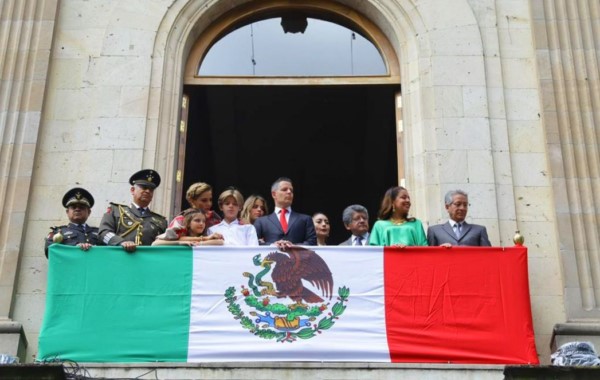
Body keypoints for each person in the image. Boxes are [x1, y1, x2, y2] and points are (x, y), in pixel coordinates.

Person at [98, 169, 168, 252]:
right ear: (132, 190)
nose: (148, 191)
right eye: (144, 187)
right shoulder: (116, 211)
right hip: (120, 260)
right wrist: (121, 242)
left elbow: (165, 245)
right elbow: (103, 234)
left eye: (151, 189)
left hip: (147, 263)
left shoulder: (161, 221)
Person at [253, 177, 317, 249]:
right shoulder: (261, 221)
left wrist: (294, 247)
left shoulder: (305, 219)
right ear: (274, 194)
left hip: (298, 259)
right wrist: (272, 246)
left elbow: (312, 242)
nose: (289, 192)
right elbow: (253, 242)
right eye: (284, 189)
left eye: (291, 190)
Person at [45, 187, 100, 258]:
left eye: (82, 207)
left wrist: (94, 249)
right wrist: (75, 249)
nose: (77, 209)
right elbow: (49, 251)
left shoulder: (99, 232)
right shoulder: (58, 232)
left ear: (89, 212)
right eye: (73, 207)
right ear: (67, 212)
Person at [426, 189, 492, 247]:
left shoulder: (479, 230)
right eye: (458, 204)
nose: (462, 208)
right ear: (447, 207)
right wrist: (440, 250)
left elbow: (488, 256)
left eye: (465, 205)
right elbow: (430, 257)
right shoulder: (434, 231)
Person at [152, 209, 223, 246]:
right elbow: (155, 244)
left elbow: (220, 242)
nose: (201, 224)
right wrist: (180, 243)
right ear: (188, 223)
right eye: (197, 220)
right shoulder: (177, 234)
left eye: (203, 221)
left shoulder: (205, 237)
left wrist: (200, 242)